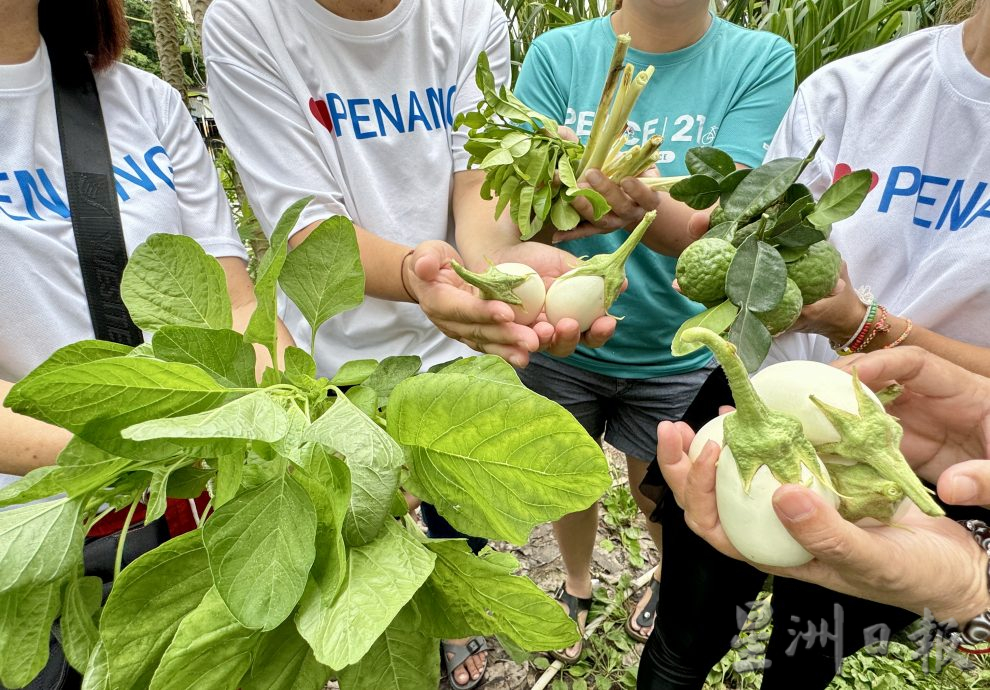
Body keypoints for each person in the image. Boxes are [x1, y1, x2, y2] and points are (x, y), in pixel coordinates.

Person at [200, 1, 617, 686]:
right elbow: (308, 225)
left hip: (459, 347)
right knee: (368, 524)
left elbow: (477, 177)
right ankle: (423, 632)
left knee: (462, 512)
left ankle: (453, 621)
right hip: (339, 347)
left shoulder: (470, 14)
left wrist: (491, 279)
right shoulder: (248, 19)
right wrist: (420, 277)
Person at [638, 0, 990, 686]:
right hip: (757, 412)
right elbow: (747, 236)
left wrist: (864, 324)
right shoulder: (855, 88)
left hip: (915, 453)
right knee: (685, 634)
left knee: (805, 656)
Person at [0, 0, 291, 686]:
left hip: (193, 517)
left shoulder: (142, 103)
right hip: (31, 541)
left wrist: (302, 413)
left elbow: (235, 307)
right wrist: (150, 444)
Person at [493, 0, 795, 659]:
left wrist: (628, 200)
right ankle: (576, 582)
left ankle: (662, 570)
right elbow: (520, 214)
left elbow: (720, 219)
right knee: (566, 475)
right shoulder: (558, 56)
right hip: (562, 334)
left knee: (657, 485)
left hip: (677, 348)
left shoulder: (759, 60)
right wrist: (573, 204)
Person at [658, 345, 990, 647]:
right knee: (694, 621)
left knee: (813, 645)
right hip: (872, 416)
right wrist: (972, 587)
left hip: (883, 434)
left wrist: (973, 588)